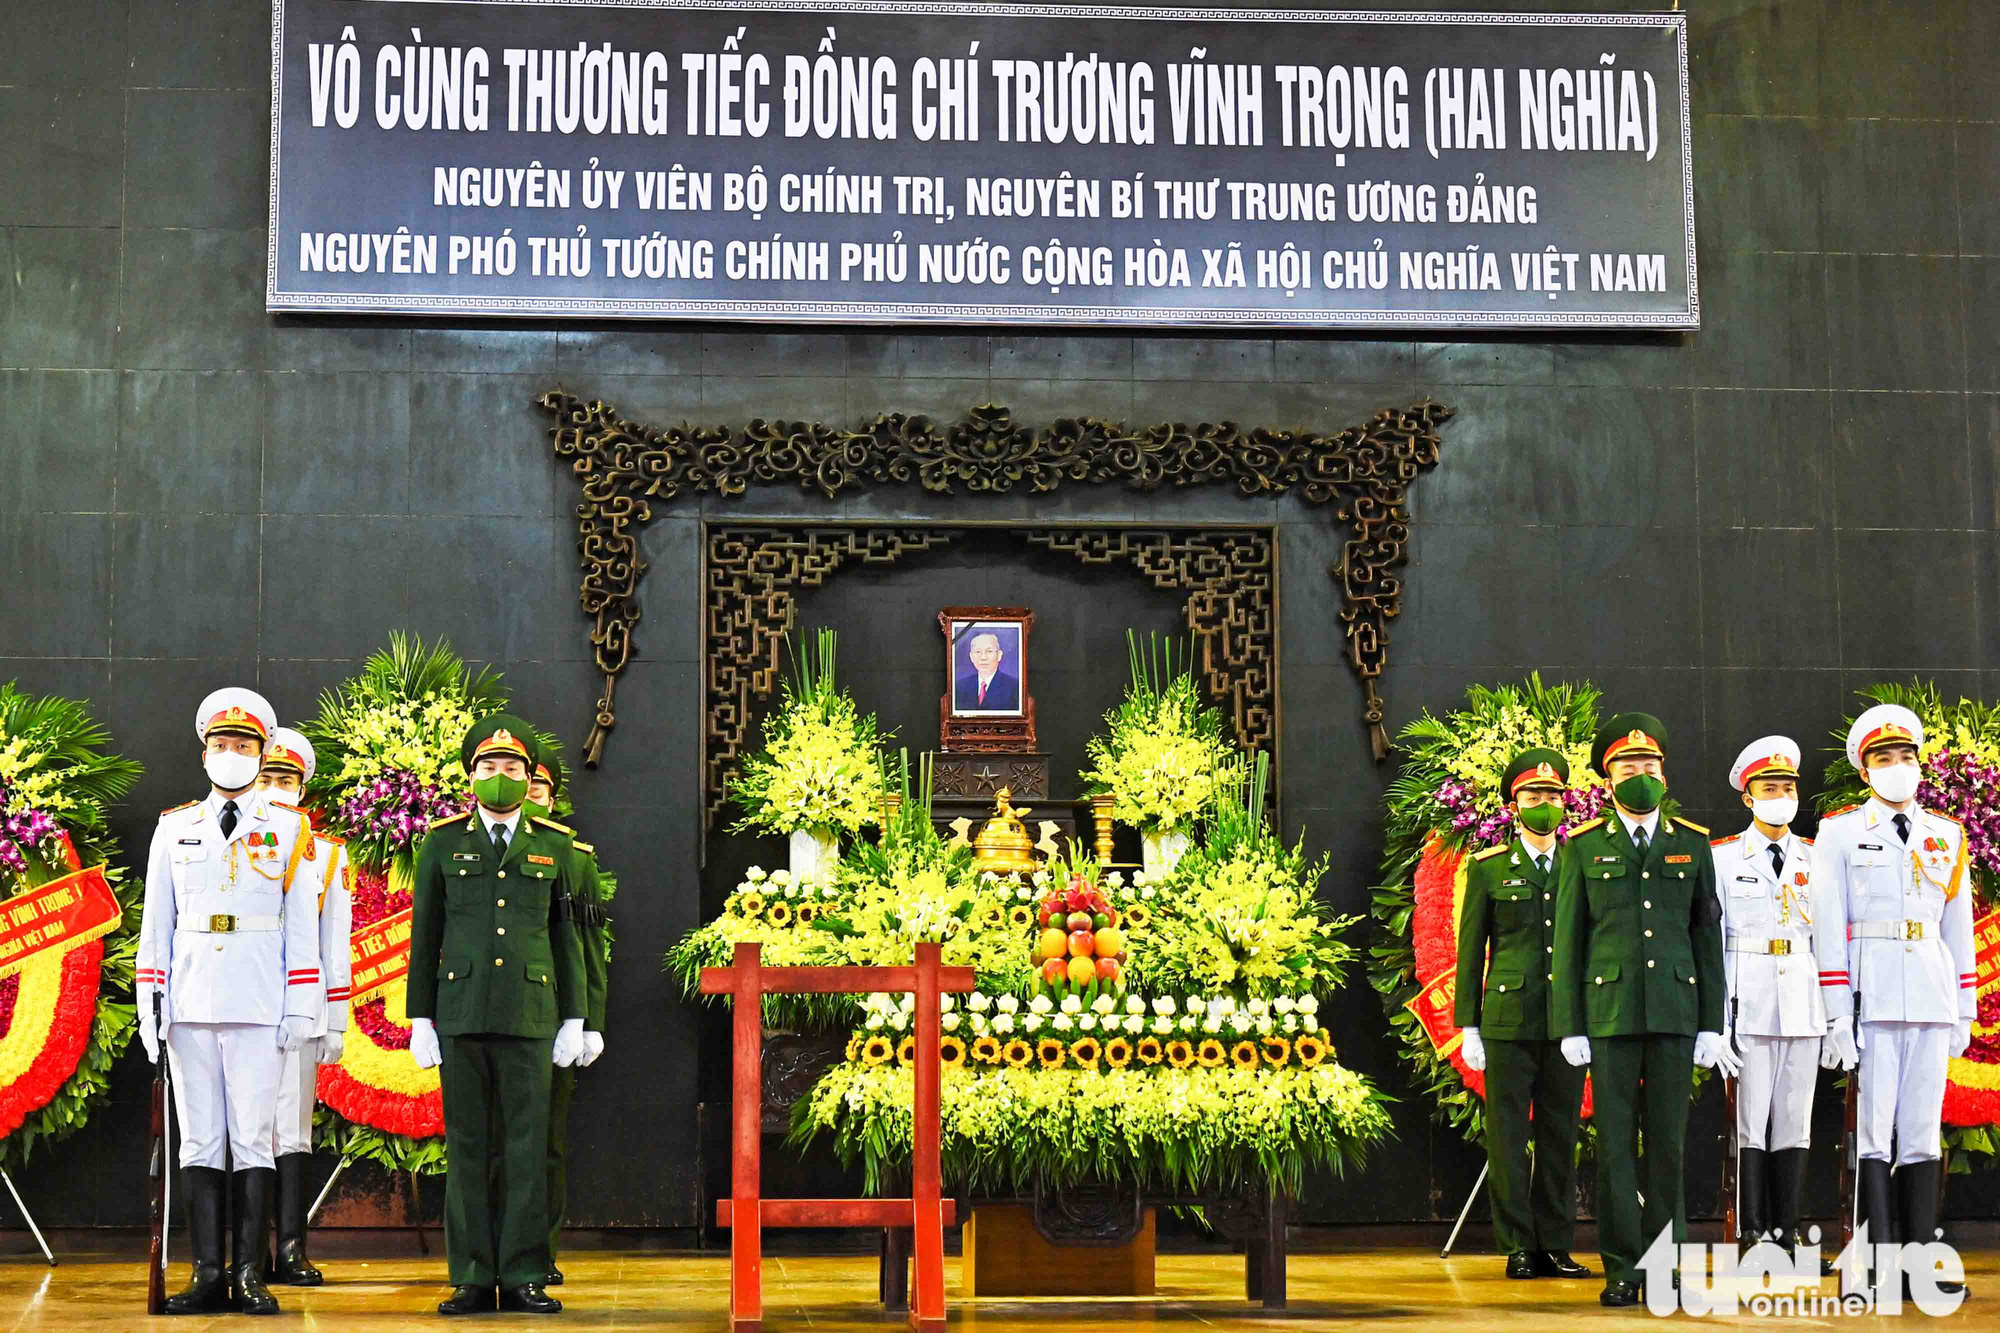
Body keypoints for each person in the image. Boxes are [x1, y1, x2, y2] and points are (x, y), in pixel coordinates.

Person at [136, 688, 322, 1315]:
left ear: (262, 751)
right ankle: (206, 1272)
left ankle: (248, 1273)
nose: (231, 755)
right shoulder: (174, 828)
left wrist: (303, 1009)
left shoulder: (289, 829)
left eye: (243, 746)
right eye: (221, 745)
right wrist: (150, 1002)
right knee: (199, 1142)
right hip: (188, 1003)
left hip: (259, 1003)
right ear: (205, 752)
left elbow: (301, 930)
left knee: (252, 1138)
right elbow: (155, 922)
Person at [406, 716, 589, 1316]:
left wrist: (575, 1018)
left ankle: (524, 1273)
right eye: (490, 768)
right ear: (471, 776)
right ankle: (472, 1276)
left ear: (528, 777)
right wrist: (420, 1018)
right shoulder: (441, 843)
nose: (501, 777)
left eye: (514, 769)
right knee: (466, 1145)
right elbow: (425, 932)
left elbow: (568, 940)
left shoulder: (557, 847)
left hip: (532, 1013)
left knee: (527, 1147)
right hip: (460, 1012)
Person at [1552, 712, 1734, 1306]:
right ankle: (1622, 1269)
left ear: (1664, 772)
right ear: (1608, 778)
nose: (1640, 775)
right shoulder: (1582, 848)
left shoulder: (1691, 841)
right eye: (1627, 767)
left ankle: (1667, 1266)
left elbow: (1706, 936)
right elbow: (1569, 943)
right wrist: (1569, 1024)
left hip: (1676, 1013)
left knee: (1667, 1146)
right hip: (1609, 1013)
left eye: (1649, 766)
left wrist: (1713, 1023)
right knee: (1613, 1151)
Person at [1811, 703, 1974, 1298]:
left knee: (1923, 1133)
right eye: (1885, 758)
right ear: (1865, 770)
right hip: (1871, 995)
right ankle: (1877, 1262)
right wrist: (1835, 1010)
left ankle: (1923, 1263)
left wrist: (1964, 1007)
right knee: (1875, 1134)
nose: (1898, 767)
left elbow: (1956, 926)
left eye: (1907, 756)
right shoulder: (1840, 832)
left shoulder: (1947, 834)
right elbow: (1828, 923)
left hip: (1931, 993)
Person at [1452, 748, 1590, 1281]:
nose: (1544, 804)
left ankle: (1555, 1242)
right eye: (1534, 796)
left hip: (1565, 1024)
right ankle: (1516, 1243)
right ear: (1514, 804)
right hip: (1507, 1021)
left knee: (1560, 1136)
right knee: (1507, 1137)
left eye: (1553, 796)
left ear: (1565, 803)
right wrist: (1469, 1024)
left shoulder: (1581, 861)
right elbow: (1470, 951)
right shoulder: (1489, 869)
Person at [1710, 737, 1822, 1258]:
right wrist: (1718, 1020)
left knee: (1796, 1121)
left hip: (1803, 998)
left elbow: (1828, 939)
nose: (1780, 795)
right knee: (1750, 1119)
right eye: (1768, 788)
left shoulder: (1817, 859)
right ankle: (1752, 1231)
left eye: (1787, 787)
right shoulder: (1725, 857)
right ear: (1748, 798)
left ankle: (1788, 1231)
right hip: (1748, 998)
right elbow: (1712, 941)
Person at [256, 727, 352, 1286]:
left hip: (303, 1005)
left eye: (284, 779)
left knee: (291, 1130)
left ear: (301, 786)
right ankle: (243, 1250)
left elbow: (333, 940)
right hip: (239, 1001)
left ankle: (289, 1248)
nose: (274, 788)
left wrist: (334, 1018)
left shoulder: (328, 852)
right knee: (238, 1132)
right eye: (266, 777)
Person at [524, 760, 609, 1288]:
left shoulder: (574, 860)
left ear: (552, 798)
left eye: (538, 786)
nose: (527, 793)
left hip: (557, 1016)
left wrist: (590, 1020)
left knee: (547, 1143)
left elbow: (589, 946)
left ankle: (541, 1250)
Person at [953, 629, 1019, 711]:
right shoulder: (959, 686)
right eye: (978, 652)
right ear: (971, 657)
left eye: (989, 651)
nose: (983, 657)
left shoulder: (1015, 687)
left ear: (999, 655)